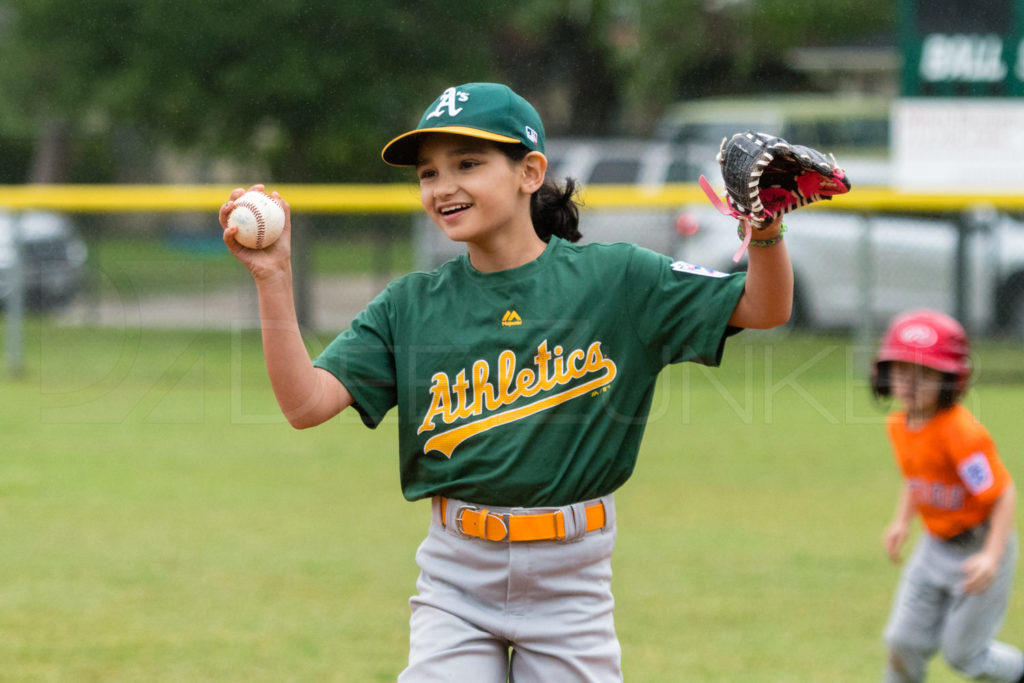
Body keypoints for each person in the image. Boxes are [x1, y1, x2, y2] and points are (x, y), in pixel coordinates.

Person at [219, 82, 793, 681]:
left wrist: (767, 229)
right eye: (428, 173)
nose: (443, 187)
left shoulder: (616, 279)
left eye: (468, 163)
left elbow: (764, 306)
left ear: (530, 172)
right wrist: (272, 278)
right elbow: (306, 403)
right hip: (455, 575)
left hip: (573, 575)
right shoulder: (410, 305)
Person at [872, 308, 1024, 683]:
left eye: (925, 372)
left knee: (965, 655)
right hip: (935, 545)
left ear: (951, 379)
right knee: (902, 640)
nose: (910, 382)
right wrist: (901, 522)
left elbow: (1002, 494)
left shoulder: (961, 434)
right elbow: (916, 476)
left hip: (980, 546)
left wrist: (991, 556)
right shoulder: (899, 425)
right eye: (902, 370)